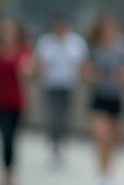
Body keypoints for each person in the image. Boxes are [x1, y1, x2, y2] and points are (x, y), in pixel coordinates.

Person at [83, 13, 124, 185]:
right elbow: (85, 69)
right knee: (101, 137)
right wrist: (92, 74)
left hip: (117, 98)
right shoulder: (93, 48)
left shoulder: (123, 46)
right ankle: (101, 176)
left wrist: (122, 75)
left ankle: (108, 175)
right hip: (99, 97)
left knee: (113, 140)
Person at [33, 14, 87, 167]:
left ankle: (62, 143)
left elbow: (81, 63)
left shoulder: (76, 42)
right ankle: (54, 144)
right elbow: (39, 62)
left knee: (65, 117)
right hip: (51, 85)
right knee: (54, 116)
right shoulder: (45, 41)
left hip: (68, 85)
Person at [0, 17, 32, 185]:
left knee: (12, 138)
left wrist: (25, 71)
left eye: (10, 29)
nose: (7, 33)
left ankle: (11, 171)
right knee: (4, 136)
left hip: (16, 101)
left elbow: (27, 73)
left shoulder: (23, 49)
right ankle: (6, 171)